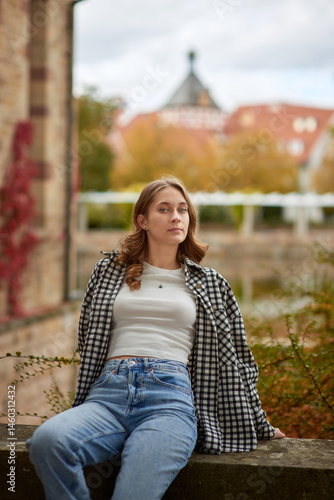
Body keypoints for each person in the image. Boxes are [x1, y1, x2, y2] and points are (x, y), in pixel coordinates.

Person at [26, 176, 285, 500]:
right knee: (48, 442)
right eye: (164, 209)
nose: (176, 216)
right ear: (143, 220)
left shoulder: (211, 284)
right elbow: (88, 334)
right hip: (109, 395)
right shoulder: (109, 271)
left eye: (182, 210)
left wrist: (260, 424)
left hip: (169, 402)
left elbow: (239, 359)